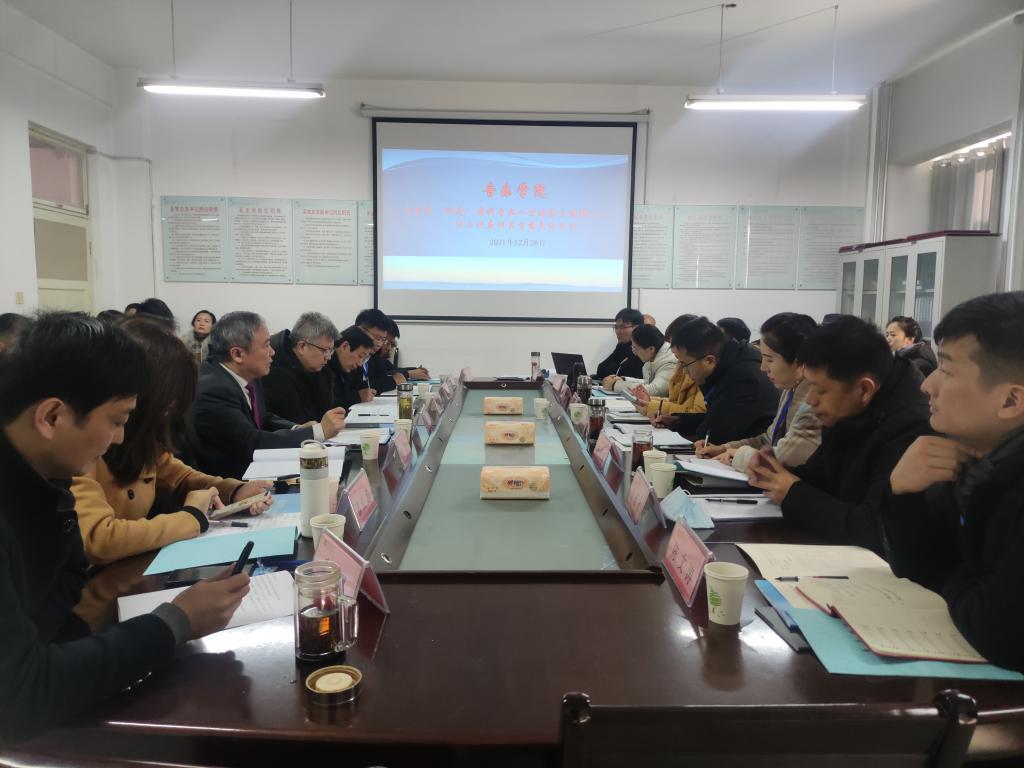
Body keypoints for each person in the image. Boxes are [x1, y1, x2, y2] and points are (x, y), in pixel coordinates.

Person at [0, 313, 250, 742]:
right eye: (117, 420)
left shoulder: (48, 472)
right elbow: (21, 693)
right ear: (52, 416)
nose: (119, 438)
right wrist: (176, 622)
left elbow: (62, 593)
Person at [881, 292, 1024, 672]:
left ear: (1010, 401)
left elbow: (997, 632)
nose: (927, 386)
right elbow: (915, 571)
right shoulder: (968, 455)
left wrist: (949, 576)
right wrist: (902, 496)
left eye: (945, 370)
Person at [71, 319, 272, 565]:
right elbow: (98, 539)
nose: (170, 413)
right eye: (168, 403)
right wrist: (191, 517)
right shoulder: (83, 444)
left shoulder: (141, 437)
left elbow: (179, 476)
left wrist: (236, 491)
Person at [745, 316, 931, 554]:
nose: (810, 400)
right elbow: (822, 476)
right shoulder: (848, 405)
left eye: (820, 390)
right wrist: (774, 474)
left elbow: (876, 529)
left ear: (864, 389)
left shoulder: (910, 427)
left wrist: (792, 493)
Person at [191, 311, 347, 479]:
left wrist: (297, 428)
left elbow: (263, 417)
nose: (273, 352)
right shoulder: (213, 390)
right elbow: (252, 442)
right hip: (229, 483)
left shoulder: (249, 375)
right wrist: (318, 432)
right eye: (266, 345)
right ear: (237, 354)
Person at [699, 313, 822, 473]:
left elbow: (786, 458)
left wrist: (739, 455)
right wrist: (724, 448)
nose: (763, 368)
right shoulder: (790, 389)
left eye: (770, 360)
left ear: (799, 361)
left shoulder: (814, 399)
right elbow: (768, 439)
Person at [663, 317, 776, 444]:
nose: (684, 371)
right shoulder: (728, 361)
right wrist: (678, 420)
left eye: (685, 364)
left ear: (709, 360)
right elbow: (717, 415)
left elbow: (713, 436)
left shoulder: (744, 378)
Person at [263, 312, 339, 425]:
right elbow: (299, 422)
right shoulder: (276, 371)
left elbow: (326, 411)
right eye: (324, 350)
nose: (328, 357)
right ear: (302, 346)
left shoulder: (314, 365)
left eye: (331, 350)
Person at [634, 314, 705, 421]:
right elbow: (676, 402)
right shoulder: (681, 364)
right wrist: (649, 401)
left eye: (674, 345)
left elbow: (697, 414)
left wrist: (650, 406)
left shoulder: (699, 369)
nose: (671, 350)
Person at [607, 324, 675, 398]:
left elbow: (655, 390)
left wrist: (615, 385)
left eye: (636, 348)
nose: (635, 353)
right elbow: (648, 382)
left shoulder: (670, 361)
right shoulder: (653, 356)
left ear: (651, 349)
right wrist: (623, 379)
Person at [329, 325, 377, 410]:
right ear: (344, 346)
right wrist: (357, 397)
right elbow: (327, 405)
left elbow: (361, 387)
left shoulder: (348, 367)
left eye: (364, 359)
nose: (360, 364)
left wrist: (366, 392)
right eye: (360, 356)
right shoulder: (323, 366)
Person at [596, 308, 644, 382]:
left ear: (636, 328)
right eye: (616, 327)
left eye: (622, 327)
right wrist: (618, 368)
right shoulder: (621, 346)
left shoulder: (643, 348)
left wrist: (616, 368)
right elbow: (601, 368)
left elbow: (626, 374)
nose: (618, 332)